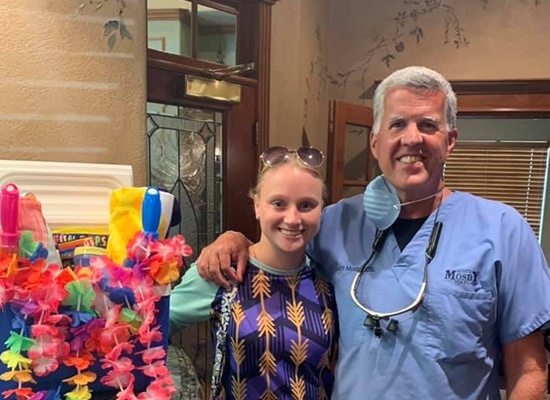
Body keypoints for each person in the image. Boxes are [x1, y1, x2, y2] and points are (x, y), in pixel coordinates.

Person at [195, 66, 550, 399]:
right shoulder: (334, 223)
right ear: (376, 143)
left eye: (428, 124)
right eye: (397, 124)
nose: (412, 138)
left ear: (451, 140)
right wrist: (233, 239)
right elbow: (276, 249)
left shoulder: (503, 231)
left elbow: (530, 369)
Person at [169, 146, 339, 400]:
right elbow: (149, 330)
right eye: (278, 203)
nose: (292, 219)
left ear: (321, 209)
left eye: (306, 205)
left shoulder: (329, 279)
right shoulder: (223, 272)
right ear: (258, 206)